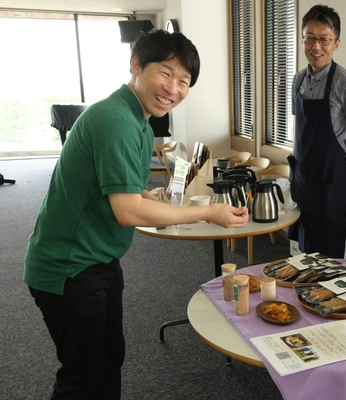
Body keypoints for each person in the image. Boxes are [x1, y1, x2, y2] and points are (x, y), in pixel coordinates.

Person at [24, 30, 248, 399]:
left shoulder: (138, 120)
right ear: (136, 66)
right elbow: (128, 210)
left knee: (110, 359)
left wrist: (157, 199)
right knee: (82, 375)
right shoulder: (115, 119)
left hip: (99, 259)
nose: (173, 89)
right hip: (70, 266)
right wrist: (208, 212)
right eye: (165, 73)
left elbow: (124, 188)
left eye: (184, 81)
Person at [288, 4, 346, 258]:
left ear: (336, 43)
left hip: (328, 185)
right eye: (309, 38)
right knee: (301, 256)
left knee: (327, 261)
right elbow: (299, 128)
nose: (316, 46)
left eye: (324, 39)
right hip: (302, 182)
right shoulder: (298, 80)